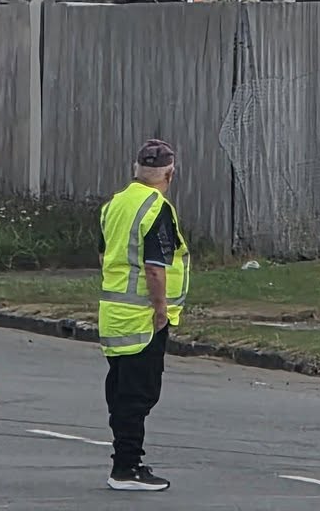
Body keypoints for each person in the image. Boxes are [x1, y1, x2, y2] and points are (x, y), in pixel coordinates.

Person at [99, 139, 191, 493]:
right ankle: (127, 467)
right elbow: (156, 268)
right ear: (169, 173)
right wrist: (160, 310)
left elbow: (107, 257)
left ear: (135, 170)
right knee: (139, 394)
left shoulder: (115, 205)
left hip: (114, 315)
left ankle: (125, 461)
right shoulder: (156, 208)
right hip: (141, 318)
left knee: (120, 391)